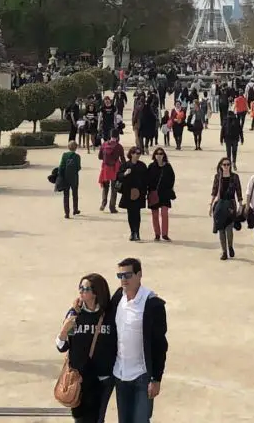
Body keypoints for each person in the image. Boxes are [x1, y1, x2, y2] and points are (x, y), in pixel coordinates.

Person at [111, 257, 168, 423]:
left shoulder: (152, 304)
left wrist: (156, 378)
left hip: (142, 376)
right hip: (120, 374)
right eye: (120, 276)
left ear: (139, 274)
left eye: (127, 275)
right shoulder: (118, 298)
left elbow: (159, 344)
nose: (124, 280)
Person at [56, 273, 117, 423]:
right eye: (80, 287)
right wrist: (64, 331)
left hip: (102, 378)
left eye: (86, 288)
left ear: (96, 292)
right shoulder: (75, 314)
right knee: (80, 419)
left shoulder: (109, 315)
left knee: (96, 419)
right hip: (79, 378)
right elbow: (62, 347)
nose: (81, 291)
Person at [210, 156, 243, 261]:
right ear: (220, 166)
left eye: (228, 164)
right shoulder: (217, 177)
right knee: (221, 229)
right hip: (220, 205)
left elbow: (238, 191)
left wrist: (241, 205)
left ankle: (230, 246)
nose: (226, 166)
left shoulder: (235, 177)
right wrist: (210, 205)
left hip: (230, 204)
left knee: (229, 229)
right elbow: (214, 191)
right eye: (224, 164)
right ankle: (224, 251)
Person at [117, 147, 148, 242]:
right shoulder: (125, 165)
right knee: (130, 213)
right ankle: (132, 232)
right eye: (135, 153)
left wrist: (145, 192)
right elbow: (118, 176)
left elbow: (146, 180)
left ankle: (137, 232)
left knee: (137, 213)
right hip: (128, 192)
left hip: (139, 192)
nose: (137, 155)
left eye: (139, 153)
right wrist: (125, 173)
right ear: (131, 154)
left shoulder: (142, 165)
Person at [147, 148, 176, 242]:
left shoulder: (168, 167)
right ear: (154, 156)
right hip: (153, 193)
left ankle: (165, 234)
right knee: (155, 215)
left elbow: (172, 178)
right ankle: (157, 234)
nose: (159, 155)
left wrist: (169, 189)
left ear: (164, 155)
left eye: (161, 154)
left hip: (165, 193)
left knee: (164, 213)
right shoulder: (151, 166)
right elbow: (147, 180)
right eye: (157, 154)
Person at [98, 129, 126, 214]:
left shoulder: (104, 144)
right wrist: (124, 167)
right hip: (115, 169)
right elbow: (122, 158)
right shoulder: (119, 146)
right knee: (115, 188)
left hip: (106, 168)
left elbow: (99, 157)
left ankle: (103, 203)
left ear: (110, 135)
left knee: (105, 187)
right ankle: (112, 207)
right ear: (117, 136)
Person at [59, 141, 82, 219]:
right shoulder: (77, 156)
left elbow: (61, 166)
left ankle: (67, 213)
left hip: (65, 178)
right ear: (76, 148)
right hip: (74, 178)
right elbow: (78, 167)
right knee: (75, 194)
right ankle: (75, 209)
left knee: (66, 195)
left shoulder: (64, 155)